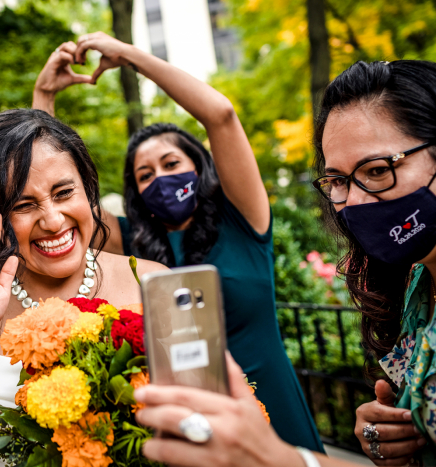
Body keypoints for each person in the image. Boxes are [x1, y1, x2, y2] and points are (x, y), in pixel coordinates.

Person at [132, 59, 436, 467]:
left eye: (378, 170)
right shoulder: (417, 282)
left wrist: (282, 459)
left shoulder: (239, 223)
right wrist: (395, 435)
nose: (356, 202)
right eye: (338, 181)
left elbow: (220, 115)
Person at [32, 31, 323, 452]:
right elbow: (58, 197)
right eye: (145, 175)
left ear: (197, 167)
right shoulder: (129, 242)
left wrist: (129, 55)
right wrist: (44, 95)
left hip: (272, 410)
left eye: (171, 163)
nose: (161, 178)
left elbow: (220, 114)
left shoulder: (241, 217)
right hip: (187, 425)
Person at [0, 108, 167, 467]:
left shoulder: (154, 285)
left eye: (63, 192)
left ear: (88, 189)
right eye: (24, 205)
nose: (54, 221)